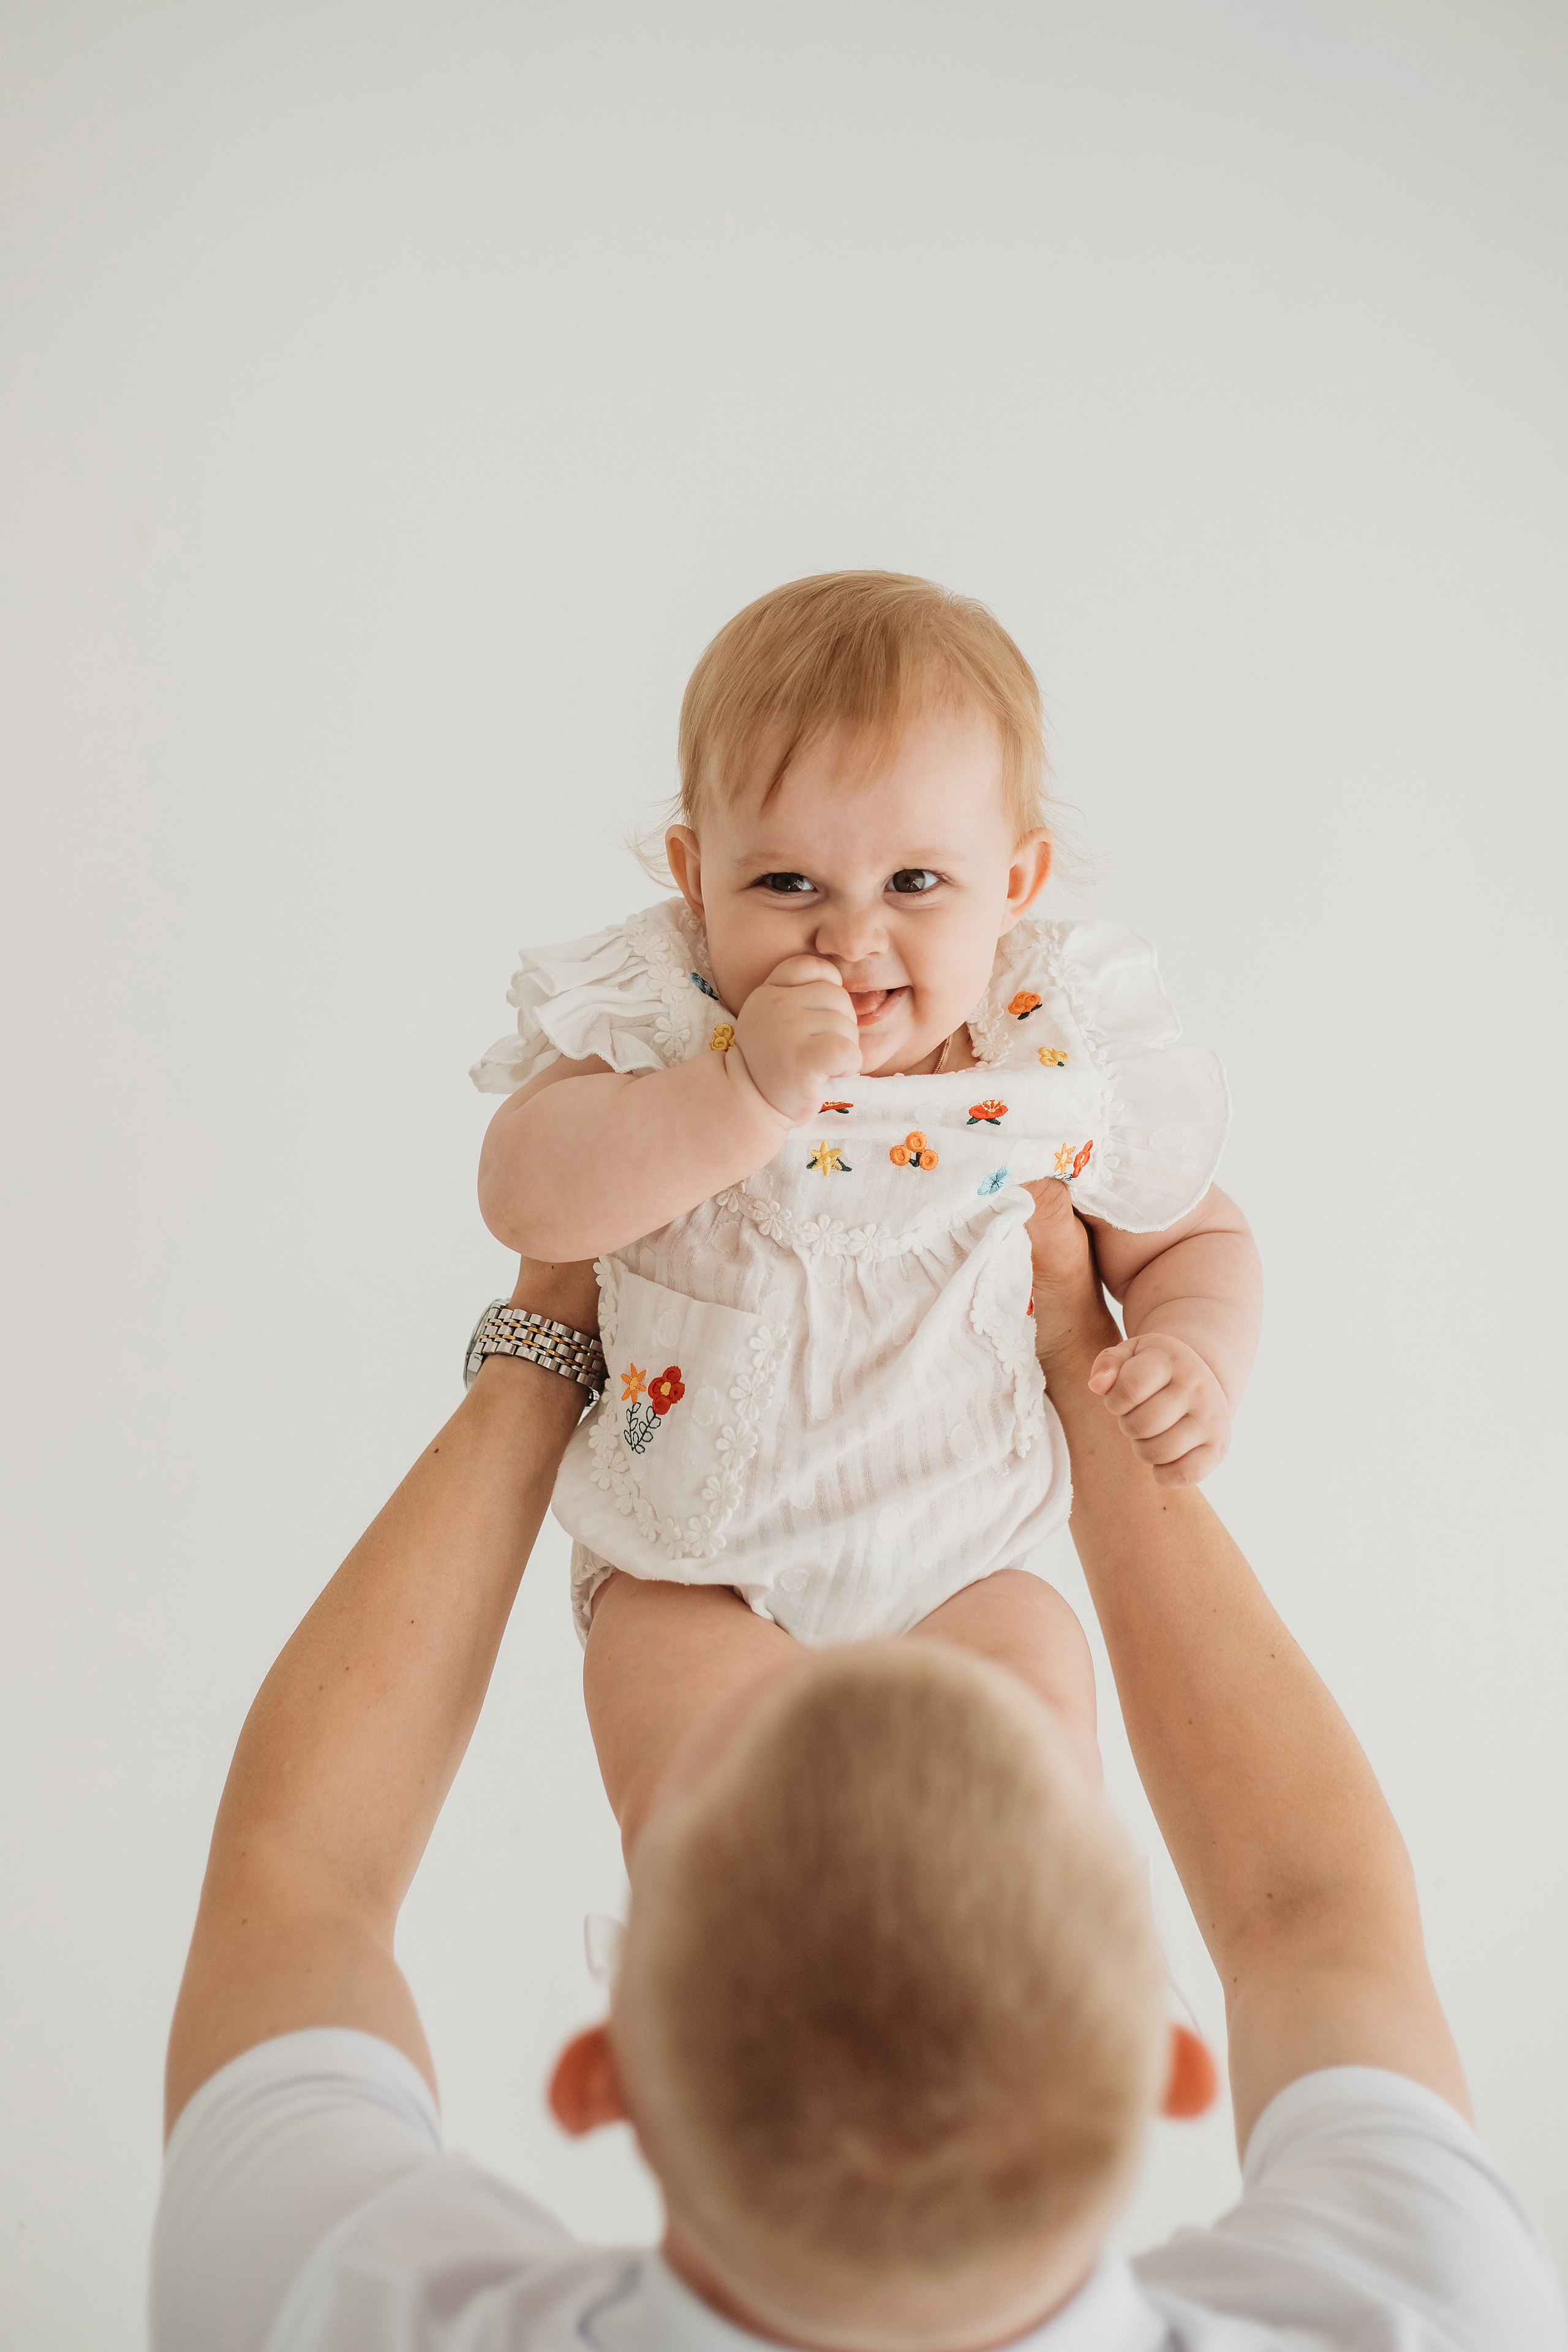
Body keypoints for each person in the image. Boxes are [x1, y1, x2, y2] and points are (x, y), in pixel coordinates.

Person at [152, 1187, 1566, 2351]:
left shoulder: (322, 2309)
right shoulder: (1427, 2313)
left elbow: (299, 1885)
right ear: (1164, 2062)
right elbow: (1308, 1911)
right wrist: (1080, 1352)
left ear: (604, 2078)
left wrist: (548, 1340)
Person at [469, 576, 1263, 1804]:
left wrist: (1190, 1354)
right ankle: (739, 1982)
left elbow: (1187, 1241)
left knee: (1030, 1767)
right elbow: (525, 1197)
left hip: (961, 1570)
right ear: (694, 874)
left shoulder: (1047, 1053)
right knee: (711, 1814)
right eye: (786, 886)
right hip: (693, 1568)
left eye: (912, 884)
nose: (848, 939)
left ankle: (1002, 1980)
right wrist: (738, 1100)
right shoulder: (668, 1022)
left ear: (1013, 883)